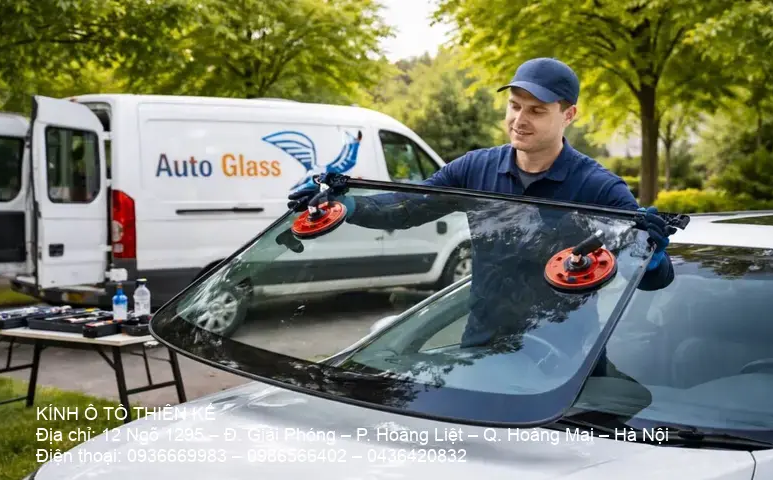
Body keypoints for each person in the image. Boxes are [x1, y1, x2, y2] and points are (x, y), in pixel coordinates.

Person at [288, 57, 674, 372]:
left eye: (537, 111)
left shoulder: (599, 187)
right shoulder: (475, 169)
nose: (519, 120)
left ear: (569, 114)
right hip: (483, 350)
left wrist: (652, 258)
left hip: (567, 363)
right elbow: (404, 209)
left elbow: (649, 277)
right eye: (514, 106)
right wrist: (342, 204)